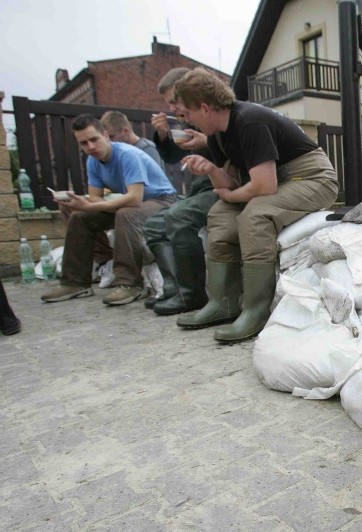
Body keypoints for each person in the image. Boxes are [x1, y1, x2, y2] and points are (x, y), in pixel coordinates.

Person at [172, 67, 339, 342]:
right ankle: (222, 302)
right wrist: (211, 171)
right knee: (220, 214)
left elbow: (263, 187)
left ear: (204, 108)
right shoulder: (217, 134)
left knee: (255, 215)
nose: (185, 120)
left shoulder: (249, 121)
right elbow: (235, 182)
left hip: (312, 178)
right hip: (277, 180)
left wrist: (230, 196)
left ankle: (255, 310)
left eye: (186, 113)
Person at [42, 114, 177, 306]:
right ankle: (75, 283)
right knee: (81, 216)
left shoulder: (129, 155)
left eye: (94, 139)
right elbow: (95, 196)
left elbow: (134, 198)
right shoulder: (93, 161)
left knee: (126, 213)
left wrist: (92, 204)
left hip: (162, 200)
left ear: (106, 135)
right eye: (83, 143)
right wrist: (86, 206)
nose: (90, 147)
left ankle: (130, 284)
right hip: (134, 203)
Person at [139, 67, 218, 315]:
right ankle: (174, 289)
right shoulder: (189, 120)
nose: (172, 109)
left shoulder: (212, 114)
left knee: (178, 216)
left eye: (174, 101)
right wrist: (163, 136)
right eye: (168, 103)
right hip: (202, 187)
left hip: (223, 185)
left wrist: (207, 143)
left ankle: (192, 295)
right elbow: (176, 155)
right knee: (153, 225)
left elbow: (234, 153)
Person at [100, 110, 165, 169]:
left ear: (125, 131)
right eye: (105, 137)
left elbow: (154, 179)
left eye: (111, 137)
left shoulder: (147, 149)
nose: (108, 141)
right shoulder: (117, 150)